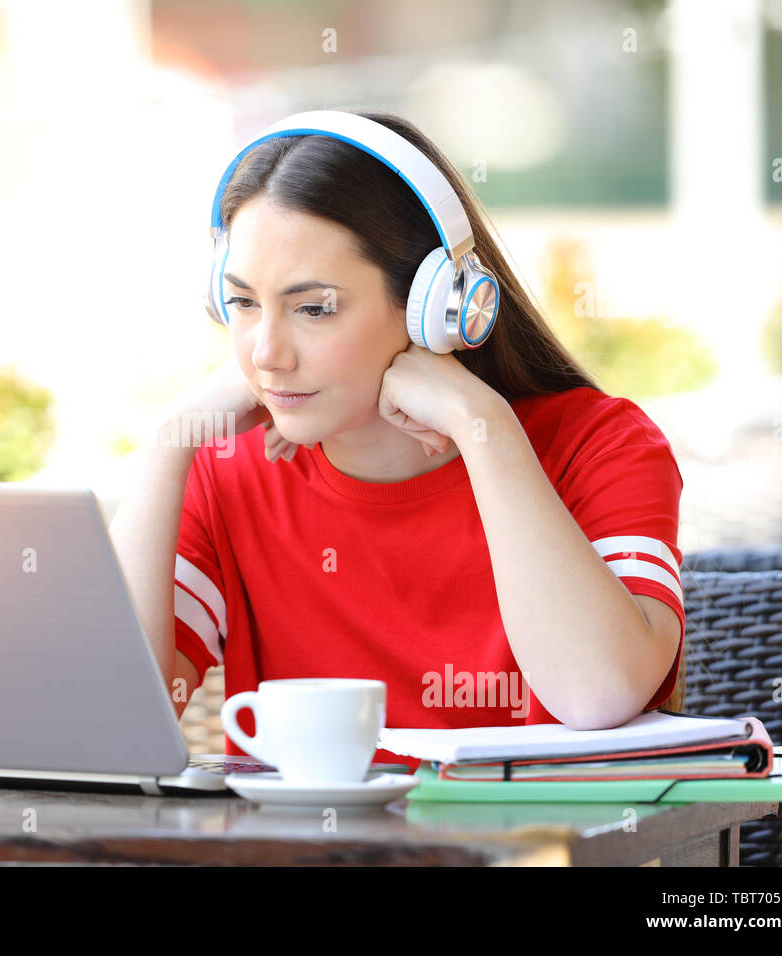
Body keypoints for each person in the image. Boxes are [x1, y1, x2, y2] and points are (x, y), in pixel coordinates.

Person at [108, 108, 685, 769]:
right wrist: (167, 444)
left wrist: (483, 427)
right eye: (242, 303)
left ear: (435, 306)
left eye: (314, 308)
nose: (266, 353)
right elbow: (113, 726)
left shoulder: (601, 446)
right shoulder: (224, 473)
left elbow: (598, 692)